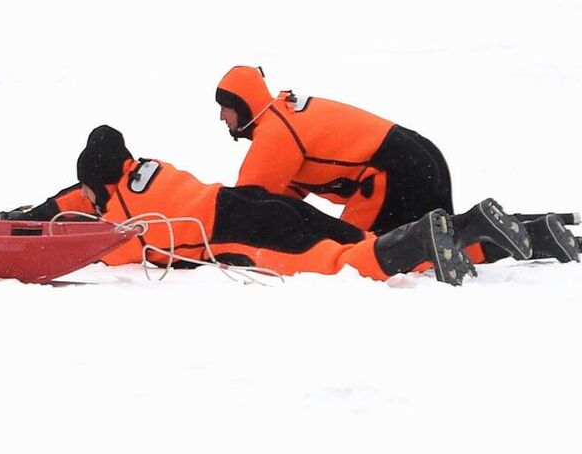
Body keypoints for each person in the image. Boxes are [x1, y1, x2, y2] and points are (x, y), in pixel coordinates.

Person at [214, 65, 575, 263]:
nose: (221, 118)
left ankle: (516, 231)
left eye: (225, 108)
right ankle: (540, 234)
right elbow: (281, 196)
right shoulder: (286, 113)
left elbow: (243, 206)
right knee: (439, 243)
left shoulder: (275, 133)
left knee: (368, 250)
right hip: (417, 156)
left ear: (244, 105)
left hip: (393, 172)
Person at [44, 124, 489, 284]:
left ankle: (418, 239)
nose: (84, 199)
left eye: (87, 191)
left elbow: (106, 250)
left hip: (242, 233)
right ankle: (475, 230)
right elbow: (83, 195)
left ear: (101, 184)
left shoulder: (124, 215)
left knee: (340, 263)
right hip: (256, 202)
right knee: (363, 238)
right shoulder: (146, 167)